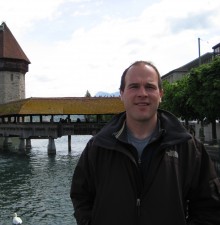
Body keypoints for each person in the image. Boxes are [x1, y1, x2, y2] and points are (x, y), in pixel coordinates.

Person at [70, 61, 220, 225]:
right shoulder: (97, 147)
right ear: (122, 94)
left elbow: (209, 206)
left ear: (161, 94)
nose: (142, 93)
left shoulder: (188, 147)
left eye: (150, 87)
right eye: (134, 86)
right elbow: (81, 196)